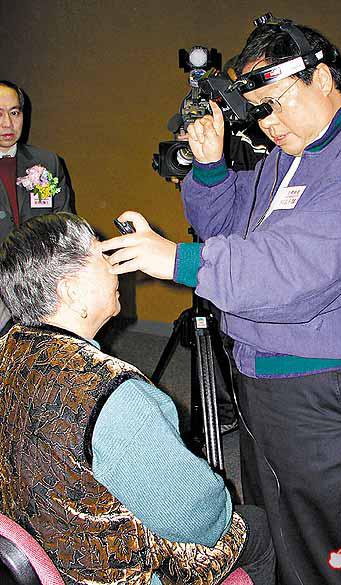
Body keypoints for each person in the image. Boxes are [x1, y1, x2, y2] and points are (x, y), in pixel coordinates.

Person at [101, 16, 341, 585]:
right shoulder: (296, 152)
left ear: (321, 78)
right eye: (259, 112)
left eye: (276, 104)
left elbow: (292, 270)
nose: (268, 124)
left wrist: (176, 261)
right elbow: (235, 226)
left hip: (331, 390)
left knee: (328, 557)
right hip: (271, 377)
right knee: (279, 534)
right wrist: (209, 167)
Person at [0, 212, 275, 585]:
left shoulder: (7, 349)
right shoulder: (113, 396)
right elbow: (202, 519)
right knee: (257, 526)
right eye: (102, 255)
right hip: (112, 571)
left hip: (39, 550)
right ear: (70, 290)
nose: (116, 269)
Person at [0, 80, 75, 335]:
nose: (7, 124)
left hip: (39, 280)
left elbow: (64, 222)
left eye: (14, 112)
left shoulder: (46, 162)